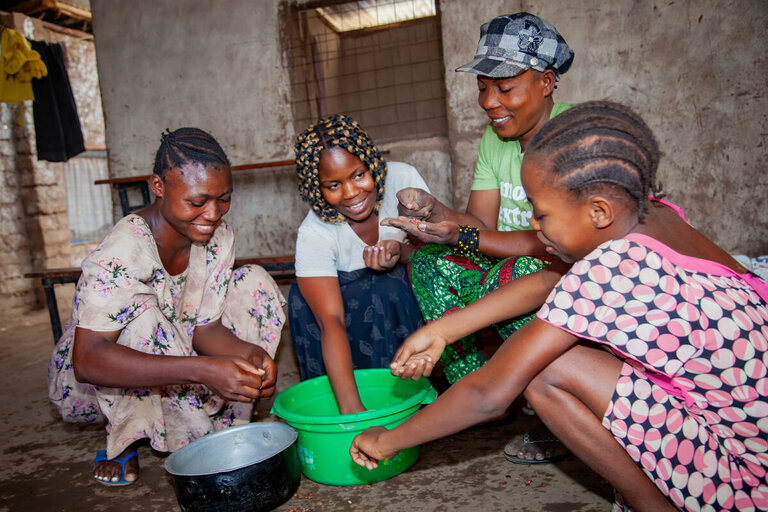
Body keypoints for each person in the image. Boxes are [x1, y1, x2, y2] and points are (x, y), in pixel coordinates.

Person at [351, 101, 768, 512]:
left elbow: (488, 395)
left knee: (543, 371)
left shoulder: (610, 265)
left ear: (598, 211)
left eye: (541, 214)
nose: (533, 224)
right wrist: (444, 330)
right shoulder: (658, 217)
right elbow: (553, 278)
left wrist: (385, 440)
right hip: (751, 425)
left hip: (748, 479)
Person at [47, 127, 286, 486]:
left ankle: (218, 418)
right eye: (197, 201)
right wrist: (203, 371)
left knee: (253, 282)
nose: (213, 213)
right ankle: (126, 436)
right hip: (98, 381)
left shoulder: (217, 236)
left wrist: (250, 355)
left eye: (224, 198)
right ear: (158, 186)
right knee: (143, 317)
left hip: (179, 350)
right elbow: (87, 360)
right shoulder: (124, 250)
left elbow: (205, 328)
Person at [384, 12, 574, 463]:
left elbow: (549, 251)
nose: (490, 102)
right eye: (483, 87)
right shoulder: (497, 139)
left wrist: (459, 236)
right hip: (505, 263)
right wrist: (434, 212)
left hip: (557, 274)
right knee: (429, 261)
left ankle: (555, 414)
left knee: (518, 272)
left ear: (547, 82)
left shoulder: (572, 138)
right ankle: (483, 394)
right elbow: (480, 225)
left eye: (505, 88)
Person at [288, 114, 427, 415]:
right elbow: (331, 321)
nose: (351, 193)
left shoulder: (402, 182)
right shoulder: (315, 232)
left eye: (359, 175)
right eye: (333, 185)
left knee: (389, 284)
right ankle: (352, 398)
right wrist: (354, 413)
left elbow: (440, 257)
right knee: (332, 296)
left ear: (372, 163)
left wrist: (401, 253)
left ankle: (412, 391)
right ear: (317, 188)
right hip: (345, 318)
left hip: (396, 300)